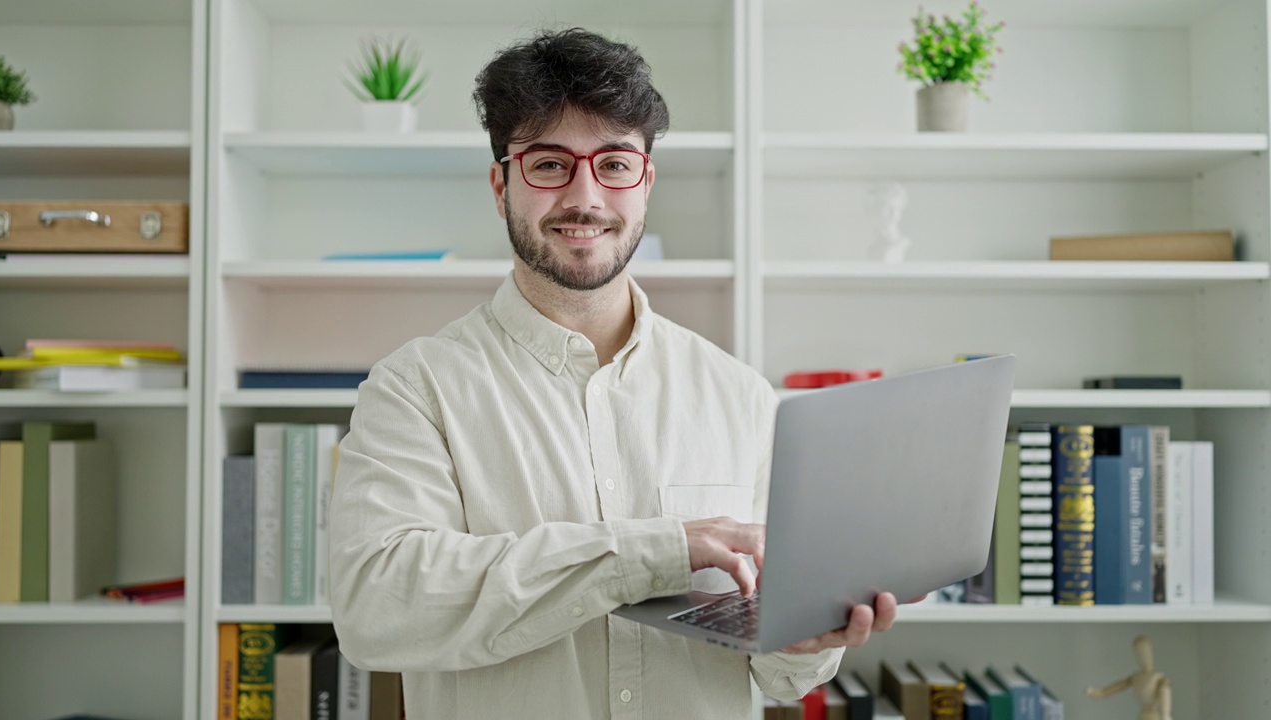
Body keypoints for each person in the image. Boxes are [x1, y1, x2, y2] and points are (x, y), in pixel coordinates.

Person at [329, 27, 909, 720]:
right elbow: (376, 610)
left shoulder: (740, 396)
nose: (585, 197)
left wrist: (808, 642)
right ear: (501, 183)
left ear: (645, 182)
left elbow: (780, 677)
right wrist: (657, 551)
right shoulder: (414, 388)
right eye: (549, 165)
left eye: (613, 164)